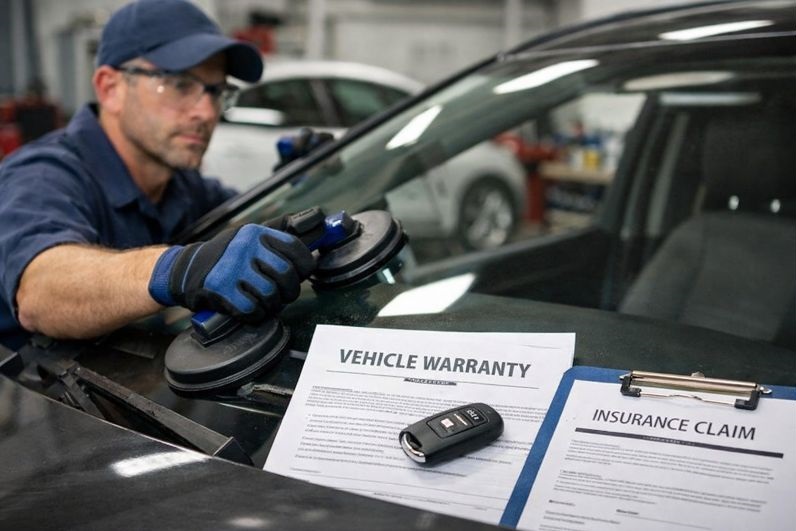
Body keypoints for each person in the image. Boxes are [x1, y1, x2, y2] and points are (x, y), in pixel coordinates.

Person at [0, 0, 314, 351]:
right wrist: (176, 269)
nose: (206, 112)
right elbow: (41, 290)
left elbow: (246, 241)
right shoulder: (43, 176)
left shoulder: (182, 185)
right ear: (110, 88)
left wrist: (303, 184)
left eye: (217, 91)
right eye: (181, 84)